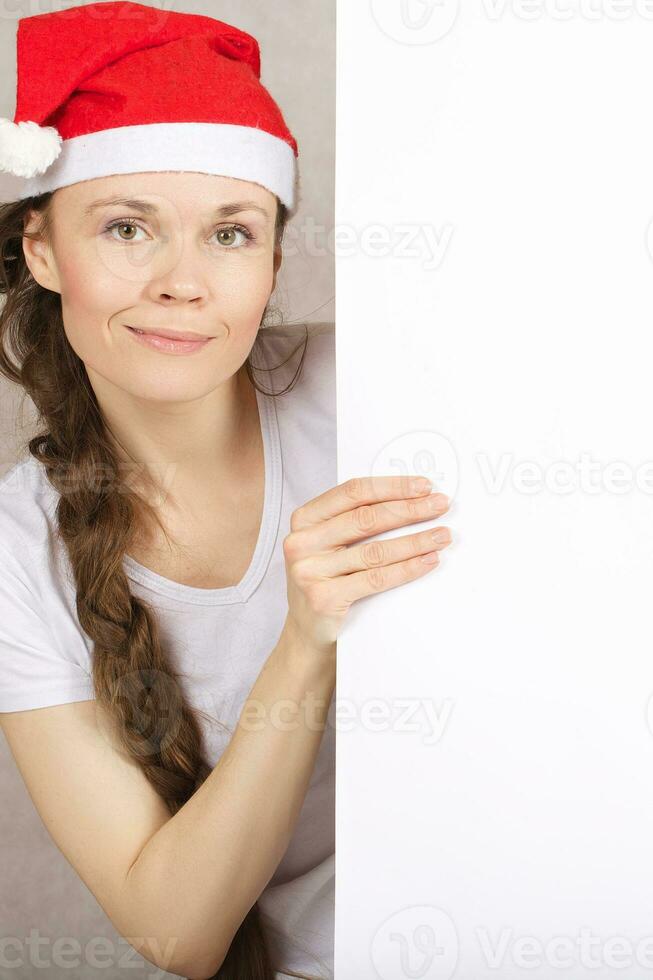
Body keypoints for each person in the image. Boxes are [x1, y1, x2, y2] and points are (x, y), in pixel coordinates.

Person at [0, 3, 453, 979]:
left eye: (230, 234)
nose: (183, 282)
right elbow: (179, 932)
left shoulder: (384, 392)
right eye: (127, 227)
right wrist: (304, 640)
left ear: (273, 260)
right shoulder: (12, 556)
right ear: (41, 248)